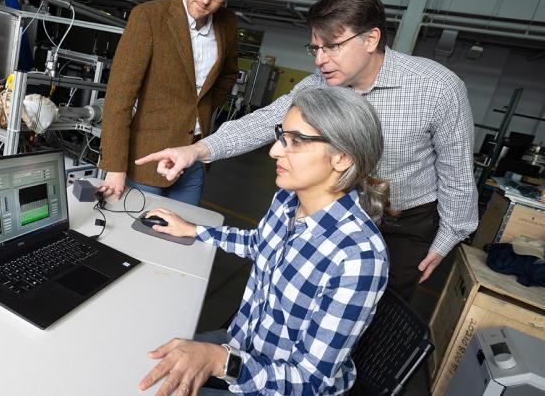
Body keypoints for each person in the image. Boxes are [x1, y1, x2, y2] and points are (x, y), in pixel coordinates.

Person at [136, 0, 478, 302]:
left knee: (382, 309)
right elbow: (265, 121)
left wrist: (446, 238)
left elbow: (457, 173)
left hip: (401, 222)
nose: (320, 59)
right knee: (308, 299)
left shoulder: (437, 88)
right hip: (333, 211)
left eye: (333, 46)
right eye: (315, 48)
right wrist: (195, 150)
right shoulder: (320, 83)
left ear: (372, 38)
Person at [138, 86, 389, 396]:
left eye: (295, 141)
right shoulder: (287, 199)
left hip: (278, 385)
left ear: (342, 158)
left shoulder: (358, 257)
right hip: (242, 345)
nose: (274, 151)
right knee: (143, 359)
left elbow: (309, 382)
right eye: (281, 136)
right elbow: (261, 245)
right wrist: (194, 230)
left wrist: (220, 361)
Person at [97, 0, 247, 206]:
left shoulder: (228, 23)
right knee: (135, 241)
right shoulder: (149, 17)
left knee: (180, 238)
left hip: (193, 159)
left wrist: (201, 108)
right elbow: (119, 98)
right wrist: (115, 166)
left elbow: (228, 75)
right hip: (147, 158)